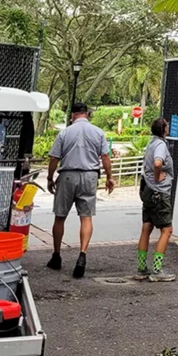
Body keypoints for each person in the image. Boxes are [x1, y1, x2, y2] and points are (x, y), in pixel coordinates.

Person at [46, 102, 115, 278]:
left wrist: (50, 178)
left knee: (60, 216)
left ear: (73, 115)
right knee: (86, 217)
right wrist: (109, 177)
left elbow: (54, 158)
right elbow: (105, 156)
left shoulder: (65, 132)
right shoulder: (98, 132)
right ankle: (82, 255)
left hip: (68, 175)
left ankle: (56, 255)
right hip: (90, 176)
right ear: (87, 114)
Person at [136, 117, 176, 283]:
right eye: (167, 126)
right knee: (167, 230)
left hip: (148, 190)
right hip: (159, 192)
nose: (168, 128)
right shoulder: (160, 145)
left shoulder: (152, 143)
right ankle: (157, 270)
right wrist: (159, 175)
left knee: (147, 226)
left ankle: (141, 268)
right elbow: (158, 162)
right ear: (164, 129)